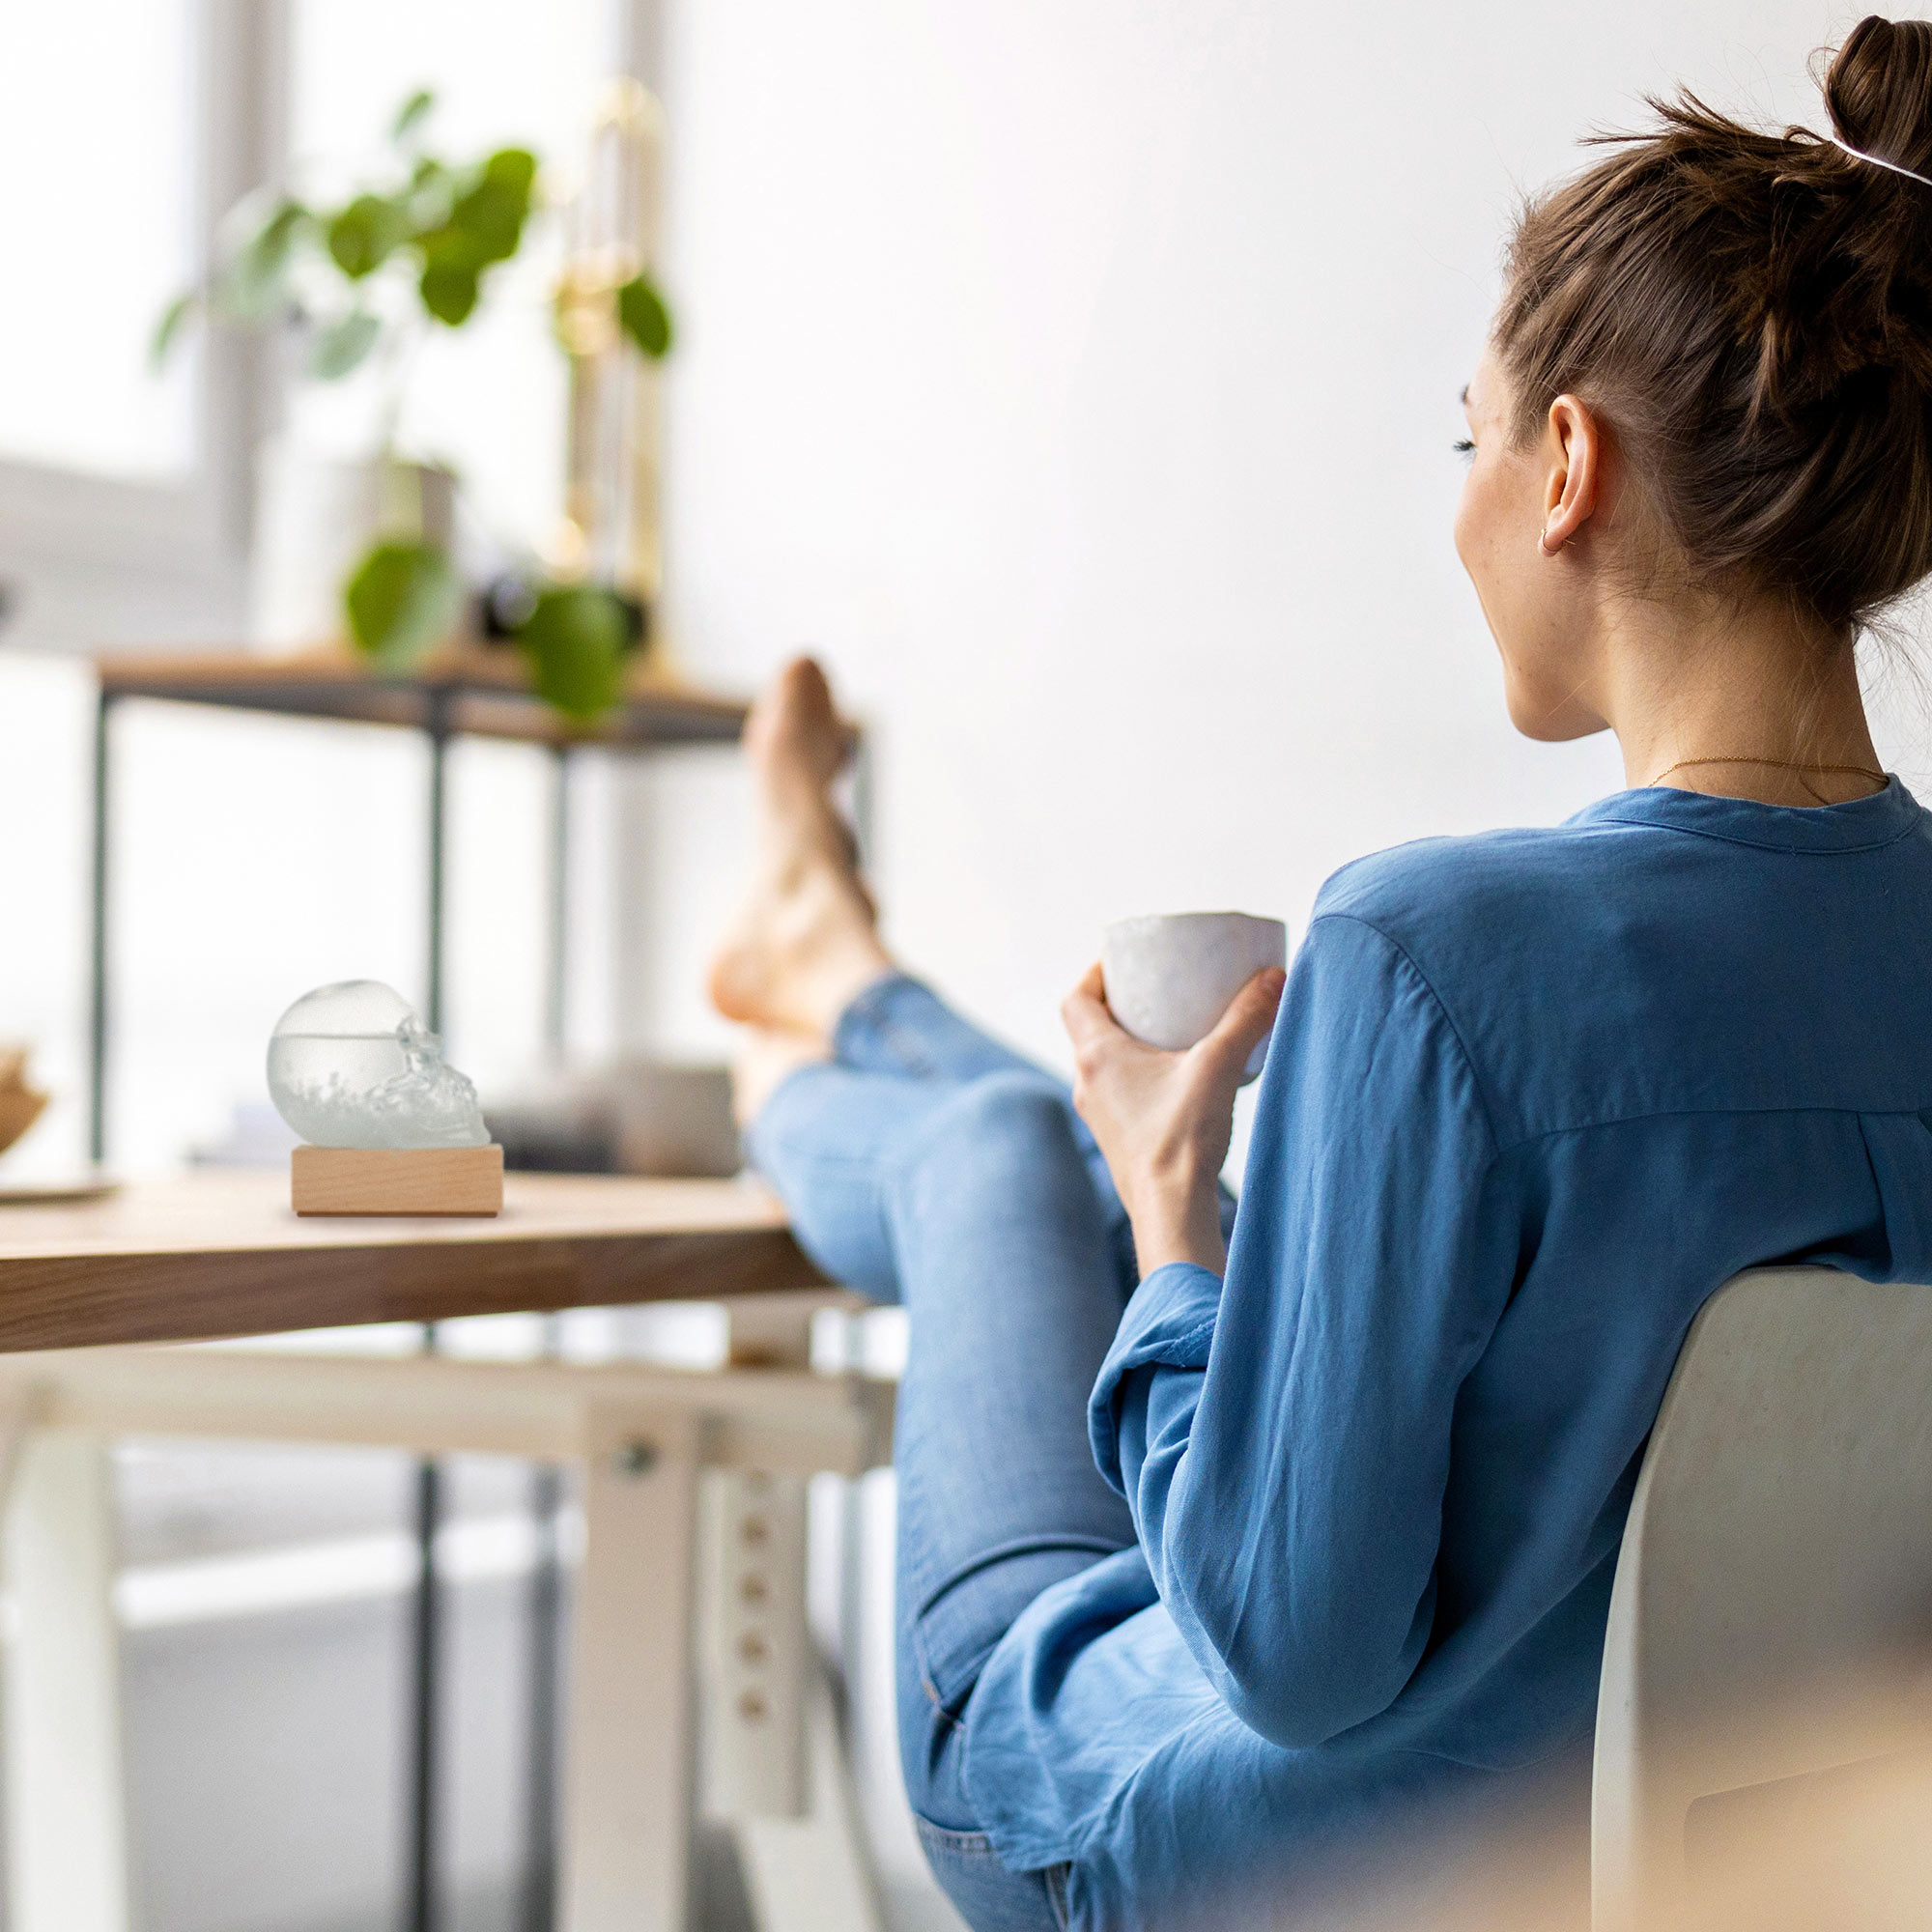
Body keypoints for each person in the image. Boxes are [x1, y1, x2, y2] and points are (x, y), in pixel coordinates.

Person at [707, 17, 1932, 1929]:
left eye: (1468, 437)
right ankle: (836, 963)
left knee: (999, 1158)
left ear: (1564, 468)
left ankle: (821, 1008)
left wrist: (1178, 1228)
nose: (1454, 508)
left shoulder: (1431, 955)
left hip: (1294, 1853)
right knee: (1064, 1148)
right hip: (1763, 1862)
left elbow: (1289, 1650)